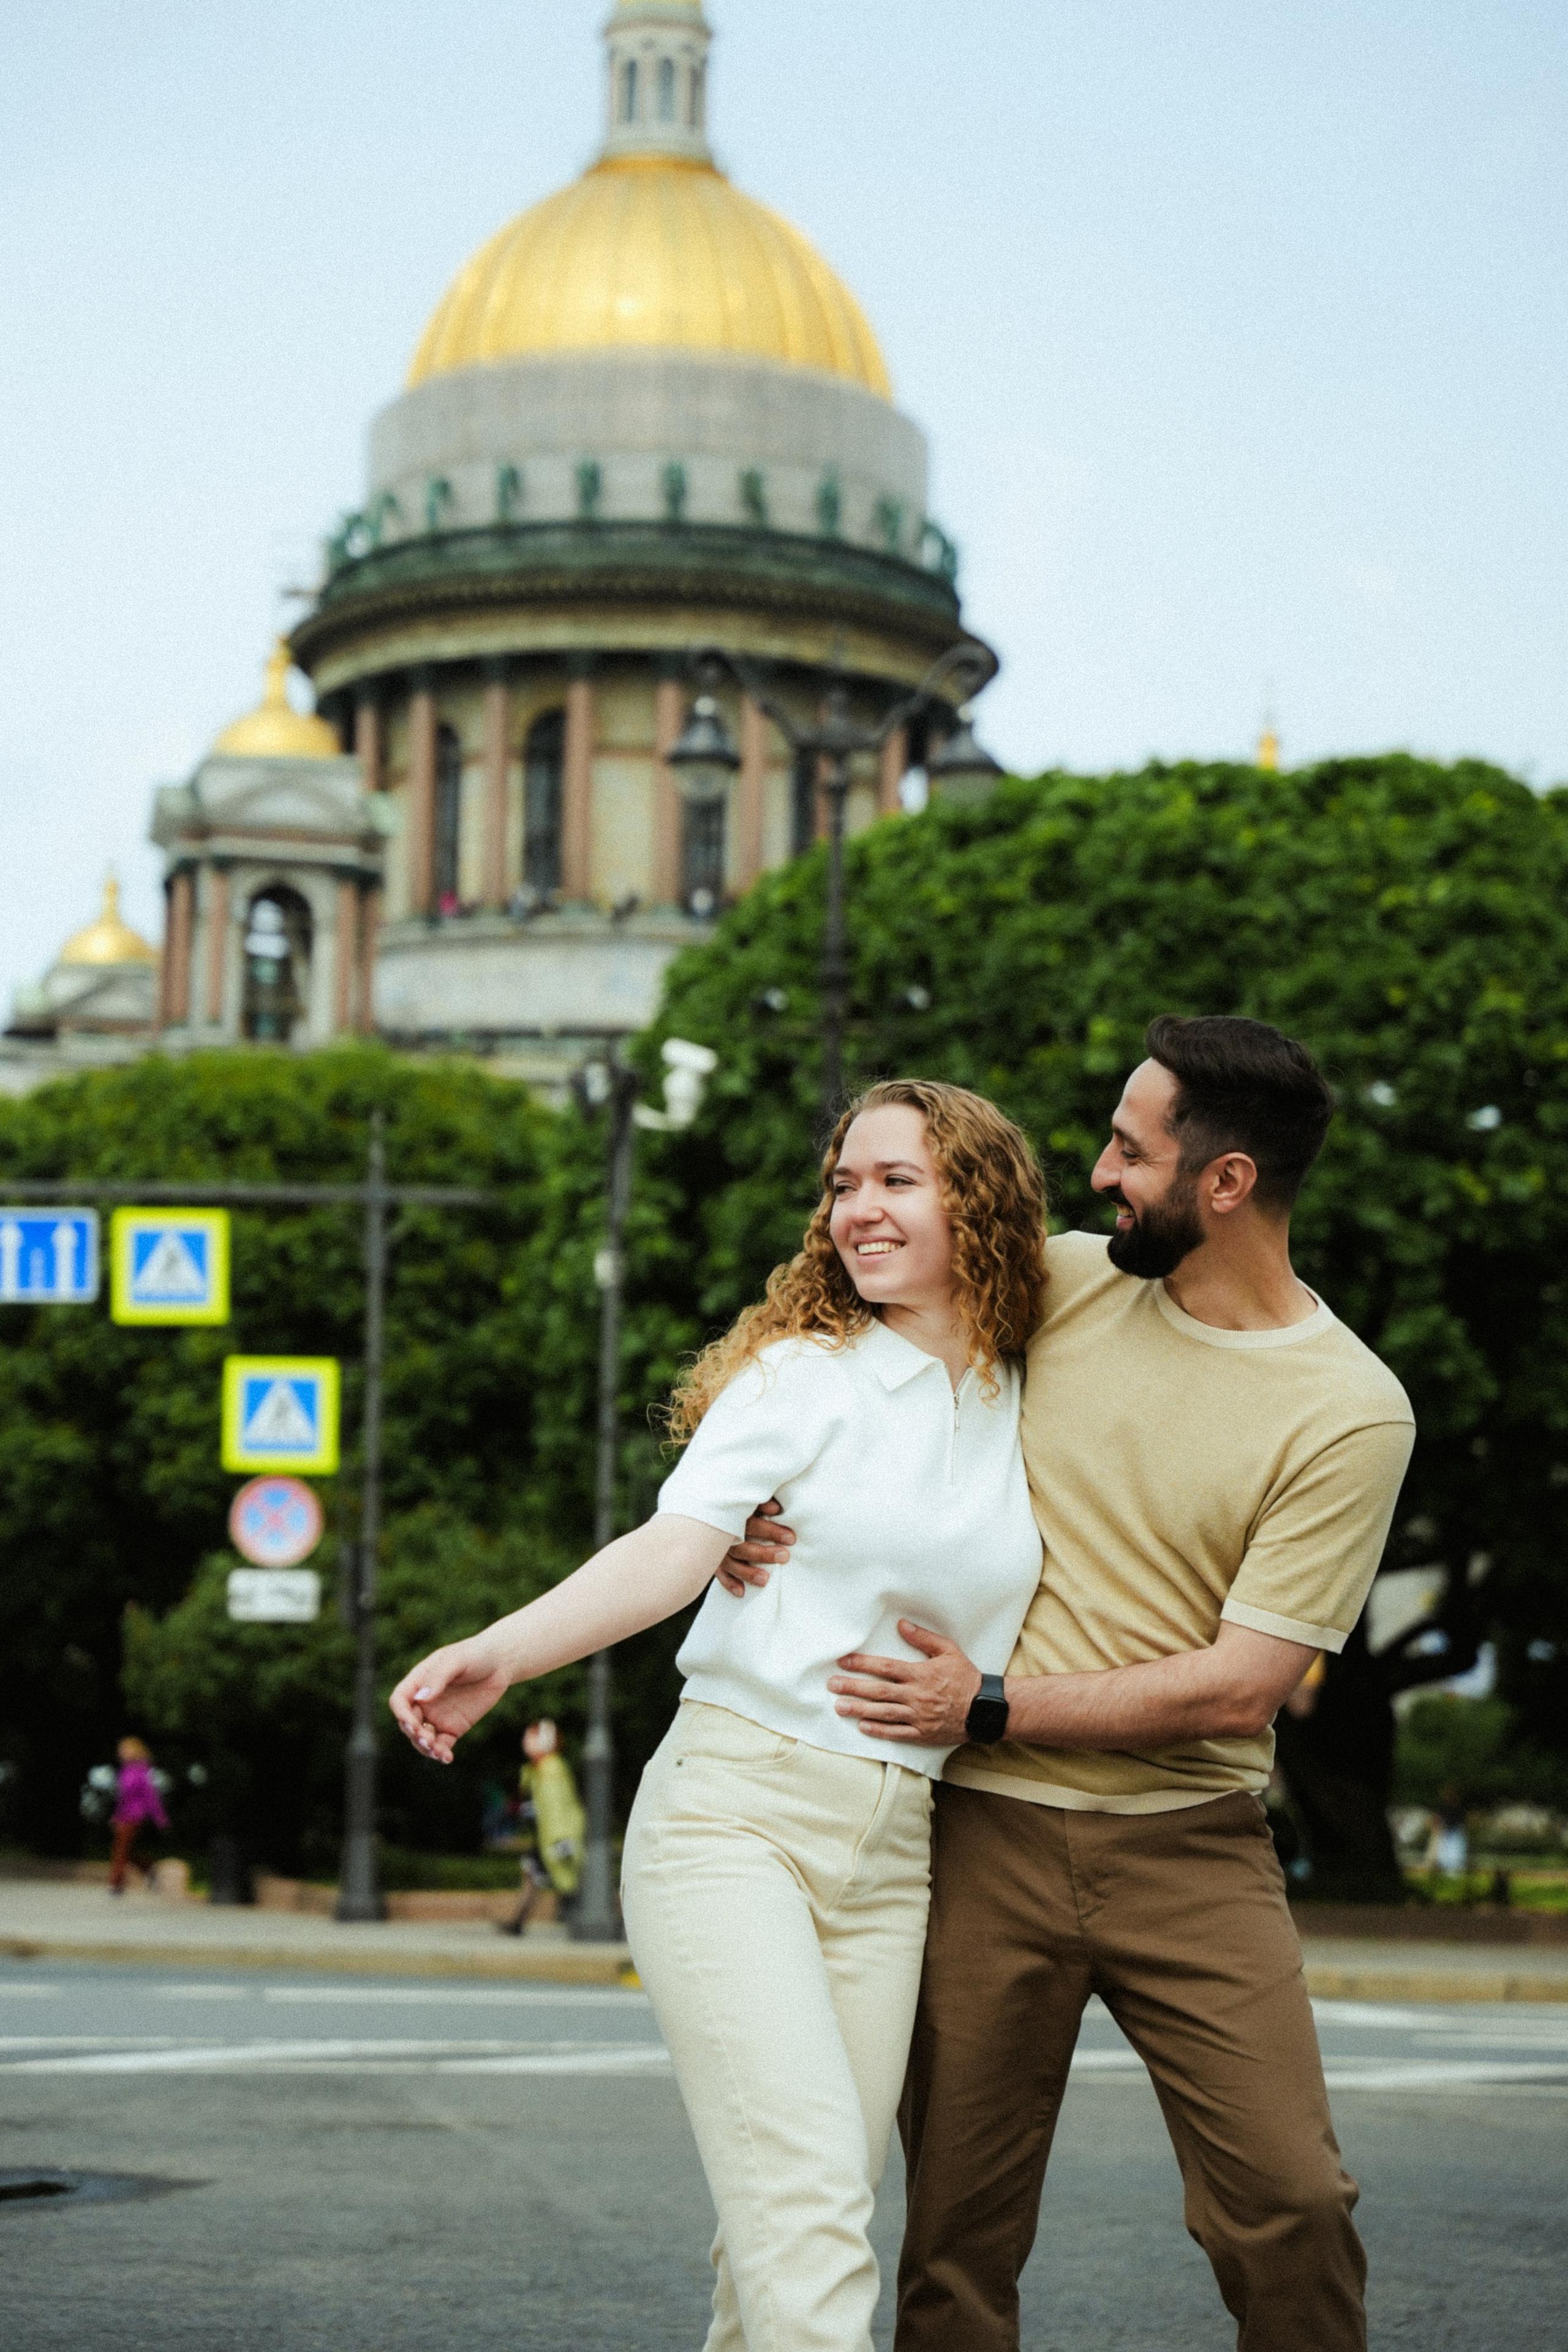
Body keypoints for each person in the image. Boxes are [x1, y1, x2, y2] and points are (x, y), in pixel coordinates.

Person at [724, 1017, 1415, 2352]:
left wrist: (983, 1703)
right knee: (955, 2239)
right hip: (982, 1836)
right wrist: (732, 1506)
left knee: (1290, 2207)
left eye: (1129, 1151)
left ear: (1226, 1182)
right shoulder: (1056, 1284)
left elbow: (1241, 1688)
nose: (1098, 1173)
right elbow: (836, 1349)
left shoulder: (1348, 1408)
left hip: (1190, 1849)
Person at [390, 1079, 1049, 2352]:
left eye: (897, 1181)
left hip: (897, 1849)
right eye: (843, 1184)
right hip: (733, 1820)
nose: (858, 1209)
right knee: (806, 2213)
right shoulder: (803, 1376)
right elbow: (673, 1547)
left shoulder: (1024, 1388)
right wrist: (502, 1654)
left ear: (979, 1199)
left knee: (797, 2226)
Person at [499, 1718, 585, 1936]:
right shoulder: (538, 1769)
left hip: (558, 1837)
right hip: (546, 1837)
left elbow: (558, 1807)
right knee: (533, 1873)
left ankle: (607, 1921)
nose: (525, 1742)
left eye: (530, 1738)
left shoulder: (550, 1769)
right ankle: (518, 1922)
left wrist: (562, 1840)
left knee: (576, 1879)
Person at [108, 1738, 169, 1893]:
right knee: (126, 1852)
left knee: (121, 1849)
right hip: (123, 1816)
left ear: (136, 1751)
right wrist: (116, 1816)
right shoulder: (124, 1771)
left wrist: (160, 1818)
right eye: (121, 1749)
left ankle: (116, 1884)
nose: (122, 1752)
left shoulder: (142, 1772)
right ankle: (150, 1870)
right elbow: (122, 1798)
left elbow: (150, 1796)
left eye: (126, 1749)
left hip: (136, 1816)